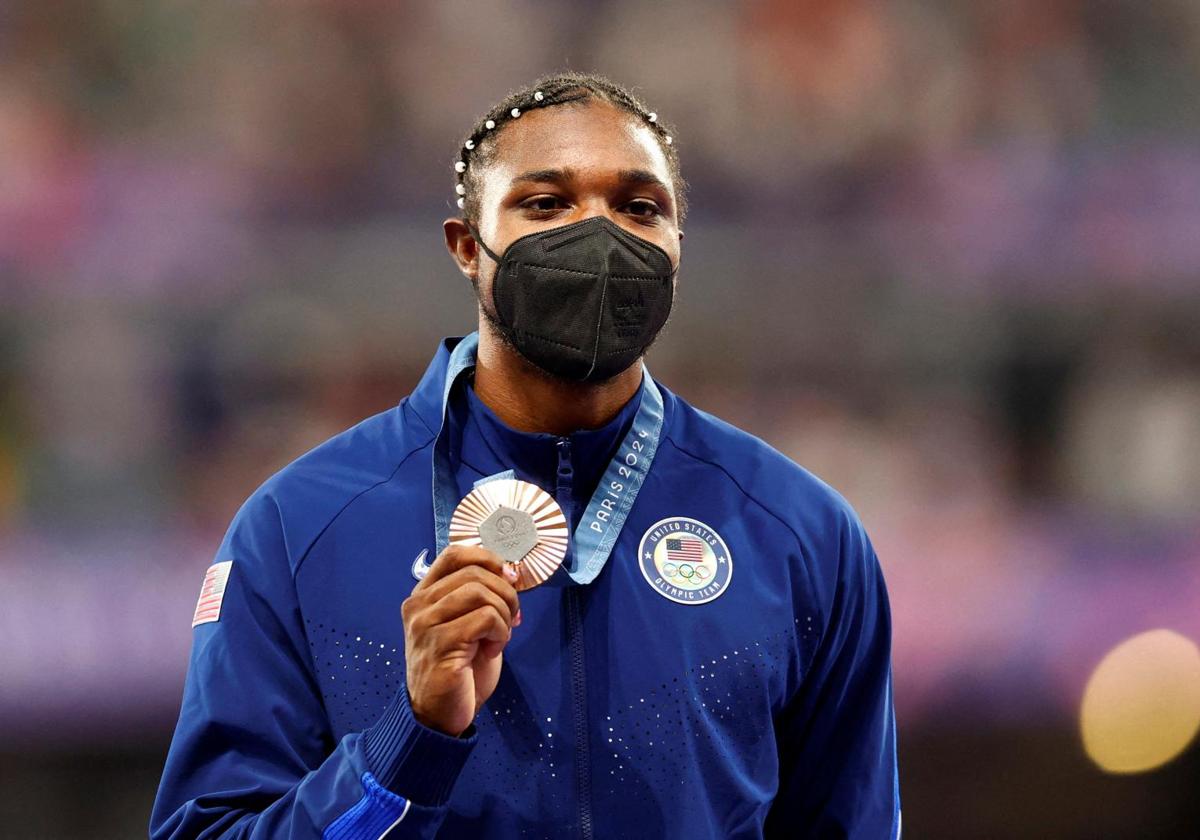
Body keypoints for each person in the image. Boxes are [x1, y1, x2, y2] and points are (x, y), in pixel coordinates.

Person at [151, 71, 901, 839]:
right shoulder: (299, 526)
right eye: (546, 204)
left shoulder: (800, 533)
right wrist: (406, 742)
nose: (600, 235)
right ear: (467, 247)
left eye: (640, 208)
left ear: (679, 246)